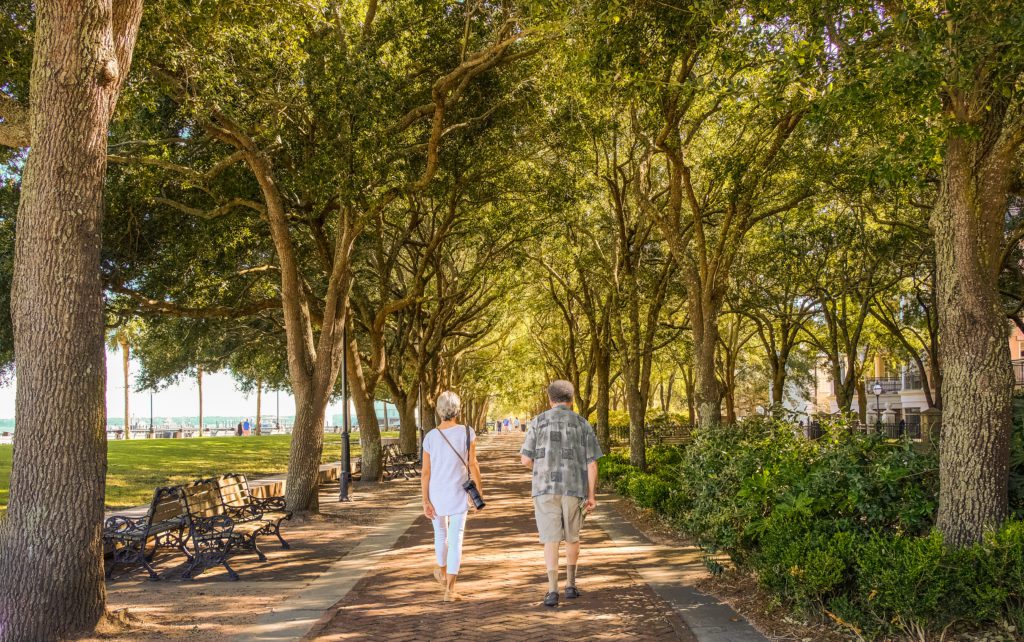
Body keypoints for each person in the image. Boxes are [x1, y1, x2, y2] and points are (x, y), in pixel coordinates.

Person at [520, 380, 602, 608]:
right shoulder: (582, 423)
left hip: (544, 490)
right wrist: (591, 494)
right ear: (571, 399)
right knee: (573, 537)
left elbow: (526, 459)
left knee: (550, 539)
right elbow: (592, 463)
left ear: (550, 399)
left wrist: (541, 468)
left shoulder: (538, 422)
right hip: (573, 488)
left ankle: (552, 589)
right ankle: (571, 585)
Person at [422, 390, 484, 602]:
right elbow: (473, 464)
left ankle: (441, 570)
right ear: (458, 410)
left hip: (436, 493)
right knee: (456, 539)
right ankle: (450, 589)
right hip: (459, 492)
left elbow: (426, 473)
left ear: (439, 411)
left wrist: (425, 500)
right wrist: (480, 493)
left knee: (440, 535)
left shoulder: (430, 437)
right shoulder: (467, 432)